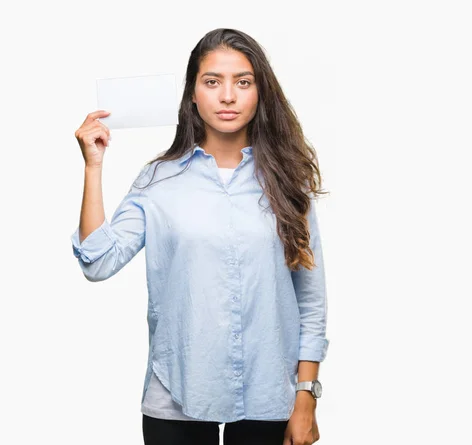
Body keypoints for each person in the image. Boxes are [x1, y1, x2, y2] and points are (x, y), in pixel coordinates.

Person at [71, 28, 330, 445]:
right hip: (177, 391)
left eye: (242, 82)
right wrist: (93, 167)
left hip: (269, 392)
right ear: (193, 93)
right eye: (213, 82)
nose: (227, 96)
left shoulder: (288, 182)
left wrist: (306, 398)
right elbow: (97, 261)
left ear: (260, 92)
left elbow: (310, 301)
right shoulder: (159, 180)